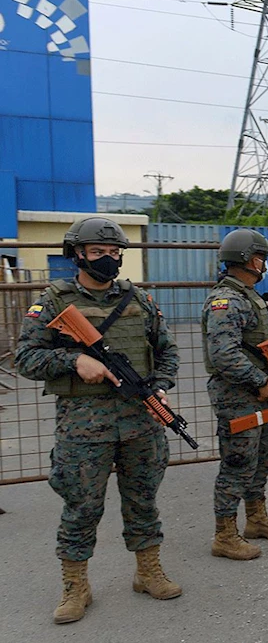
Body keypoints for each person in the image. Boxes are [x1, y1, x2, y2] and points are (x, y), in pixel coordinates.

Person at [15, 217, 182, 624]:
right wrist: (74, 360)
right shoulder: (53, 301)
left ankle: (147, 572)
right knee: (81, 507)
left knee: (143, 500)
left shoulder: (139, 299)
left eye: (113, 252)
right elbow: (25, 358)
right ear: (78, 254)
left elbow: (167, 351)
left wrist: (160, 386)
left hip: (140, 421)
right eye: (97, 252)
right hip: (83, 427)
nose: (107, 258)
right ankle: (76, 586)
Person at [203, 229, 268, 561]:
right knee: (238, 463)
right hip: (238, 396)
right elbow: (223, 355)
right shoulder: (226, 301)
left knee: (263, 456)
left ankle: (256, 519)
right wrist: (259, 381)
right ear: (247, 260)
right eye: (261, 258)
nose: (265, 264)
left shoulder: (249, 296)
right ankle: (225, 535)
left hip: (262, 392)